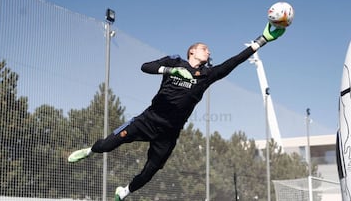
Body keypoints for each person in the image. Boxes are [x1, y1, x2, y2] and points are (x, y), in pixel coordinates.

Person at [68, 22, 286, 201]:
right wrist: (172, 70)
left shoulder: (207, 75)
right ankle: (89, 151)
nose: (208, 52)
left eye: (208, 51)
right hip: (147, 120)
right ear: (192, 51)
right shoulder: (174, 62)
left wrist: (262, 40)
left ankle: (124, 191)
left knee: (150, 171)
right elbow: (145, 67)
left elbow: (233, 62)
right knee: (106, 145)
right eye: (205, 48)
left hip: (169, 132)